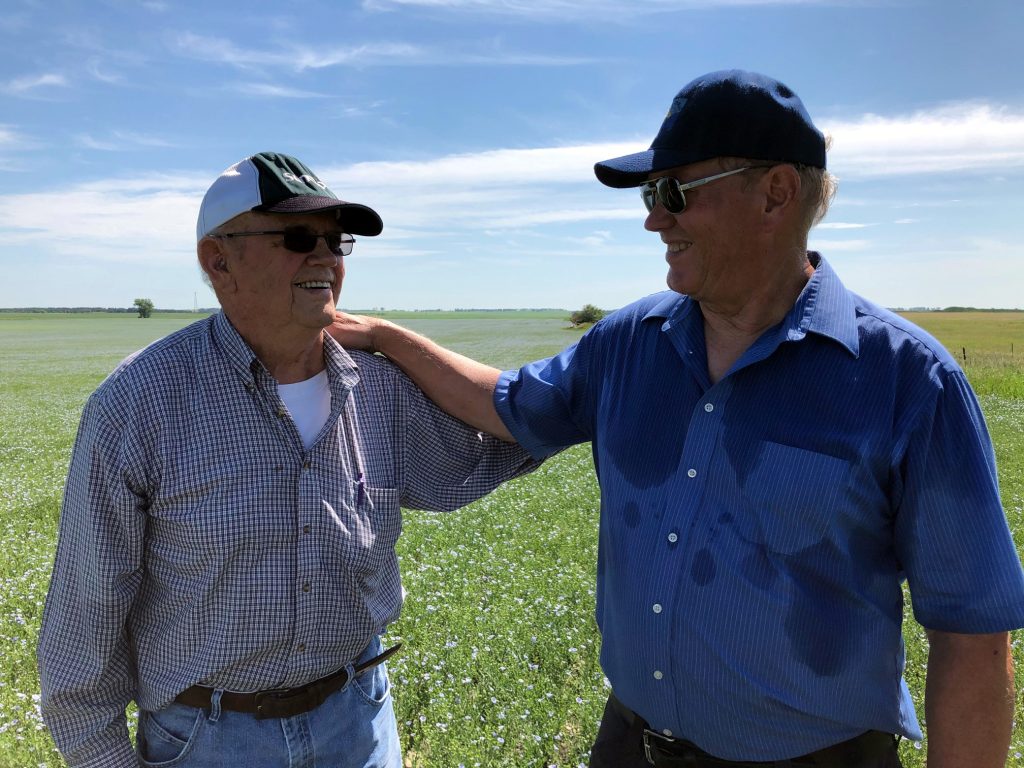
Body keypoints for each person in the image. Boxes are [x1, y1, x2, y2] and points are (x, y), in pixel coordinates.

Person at [329, 71, 1024, 767]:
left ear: (775, 193)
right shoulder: (629, 342)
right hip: (633, 745)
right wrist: (391, 338)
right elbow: (509, 406)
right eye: (649, 196)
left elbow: (973, 636)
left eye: (672, 193)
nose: (653, 219)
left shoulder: (909, 381)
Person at [37, 151, 537, 768]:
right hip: (207, 739)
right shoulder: (139, 403)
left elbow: (514, 433)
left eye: (336, 241)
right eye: (299, 237)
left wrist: (391, 338)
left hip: (358, 721)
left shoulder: (379, 388)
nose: (325, 257)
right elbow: (84, 621)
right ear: (218, 261)